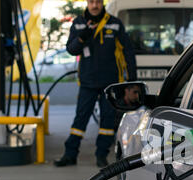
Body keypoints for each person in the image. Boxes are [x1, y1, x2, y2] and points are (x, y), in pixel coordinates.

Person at [54, 0, 137, 168]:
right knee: (80, 119)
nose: (95, 5)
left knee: (107, 121)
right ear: (87, 3)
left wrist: (132, 81)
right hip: (87, 81)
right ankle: (70, 155)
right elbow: (71, 50)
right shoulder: (78, 24)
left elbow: (128, 51)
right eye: (91, 2)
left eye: (98, 2)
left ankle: (101, 155)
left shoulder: (115, 24)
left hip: (110, 82)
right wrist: (82, 37)